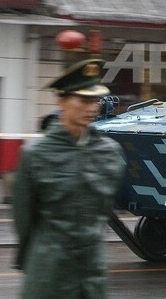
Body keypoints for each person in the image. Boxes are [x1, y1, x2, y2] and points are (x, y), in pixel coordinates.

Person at [12, 59, 126, 299]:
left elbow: (103, 212)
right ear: (62, 102)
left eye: (95, 100)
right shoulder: (36, 154)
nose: (92, 108)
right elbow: (24, 219)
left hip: (92, 275)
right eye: (83, 100)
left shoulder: (110, 152)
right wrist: (34, 262)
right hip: (50, 274)